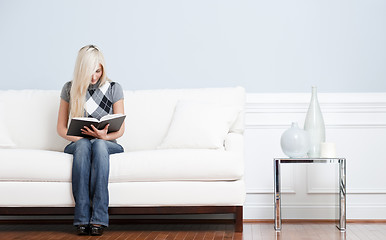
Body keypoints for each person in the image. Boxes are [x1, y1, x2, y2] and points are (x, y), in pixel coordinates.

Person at [57, 45, 125, 236]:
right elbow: (61, 128)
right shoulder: (70, 88)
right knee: (84, 145)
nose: (94, 77)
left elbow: (120, 129)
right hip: (80, 143)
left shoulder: (113, 88)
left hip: (107, 143)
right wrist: (80, 137)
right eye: (89, 72)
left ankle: (99, 219)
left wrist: (104, 136)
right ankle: (82, 219)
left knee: (100, 145)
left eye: (98, 70)